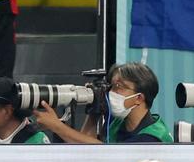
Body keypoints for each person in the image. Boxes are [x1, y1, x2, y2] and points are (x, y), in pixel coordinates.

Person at [34, 62, 172, 144]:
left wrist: (57, 126)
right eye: (111, 86)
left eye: (119, 87)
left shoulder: (152, 137)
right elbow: (86, 148)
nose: (112, 92)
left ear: (139, 98)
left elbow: (105, 154)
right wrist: (94, 106)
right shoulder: (118, 122)